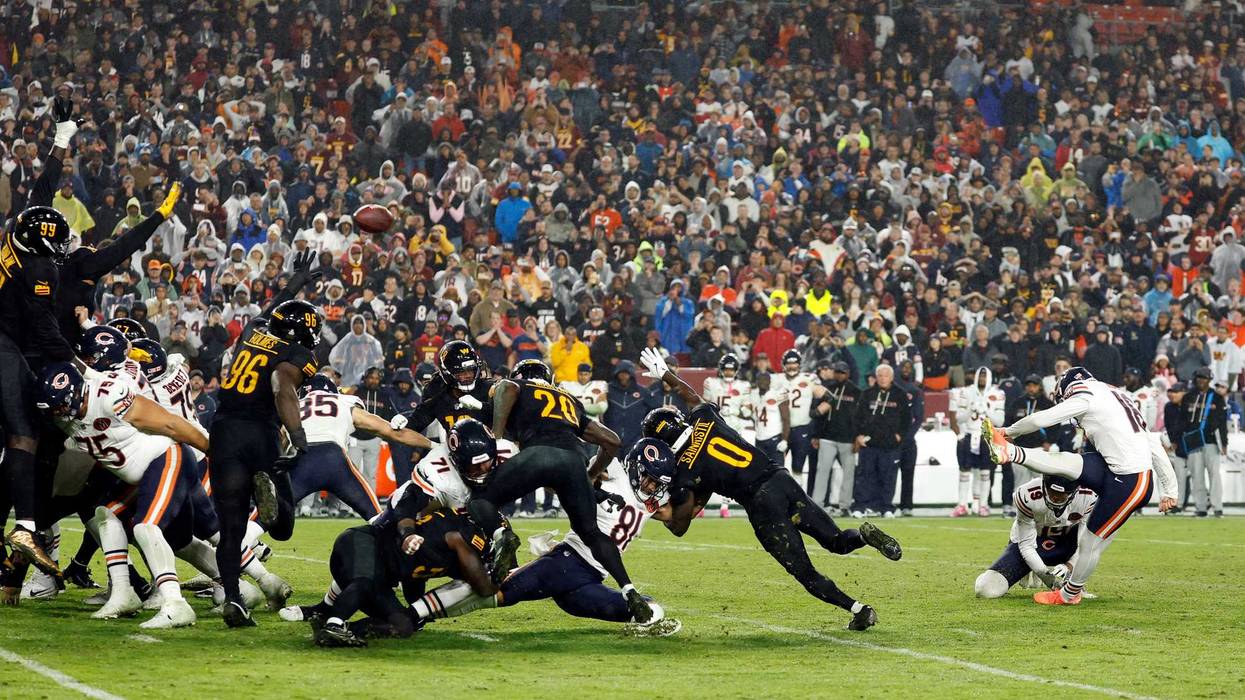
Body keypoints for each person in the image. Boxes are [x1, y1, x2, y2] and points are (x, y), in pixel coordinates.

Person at [638, 348, 901, 631]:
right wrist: (667, 374)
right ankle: (863, 535)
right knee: (836, 540)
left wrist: (648, 508)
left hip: (761, 503)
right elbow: (692, 397)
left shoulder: (684, 470)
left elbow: (680, 526)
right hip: (780, 479)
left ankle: (859, 610)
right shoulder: (705, 419)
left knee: (805, 573)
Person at [406, 438, 681, 637]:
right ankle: (413, 615)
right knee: (492, 588)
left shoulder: (653, 502)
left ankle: (417, 614)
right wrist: (592, 476)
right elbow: (593, 459)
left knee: (653, 610)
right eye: (648, 478)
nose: (650, 486)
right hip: (568, 562)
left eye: (657, 484)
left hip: (588, 580)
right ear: (635, 466)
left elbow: (675, 516)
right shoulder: (615, 473)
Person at [34, 361, 210, 628]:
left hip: (166, 456)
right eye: (54, 408)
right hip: (138, 477)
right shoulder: (62, 417)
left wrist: (214, 452)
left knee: (146, 527)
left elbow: (171, 424)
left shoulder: (108, 396)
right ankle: (123, 592)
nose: (59, 413)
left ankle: (176, 604)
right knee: (107, 515)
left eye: (61, 405)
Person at [985, 367, 1179, 605]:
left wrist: (1007, 431)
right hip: (1114, 468)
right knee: (1067, 461)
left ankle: (1069, 594)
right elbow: (1153, 443)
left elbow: (1041, 418)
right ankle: (1011, 451)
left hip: (1130, 481)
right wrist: (1170, 488)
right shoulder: (1118, 396)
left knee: (1089, 541)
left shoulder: (1085, 395)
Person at [483, 359, 655, 622]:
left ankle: (499, 537)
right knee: (592, 533)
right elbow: (612, 440)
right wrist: (592, 475)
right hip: (573, 466)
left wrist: (495, 439)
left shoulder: (518, 387)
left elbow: (506, 387)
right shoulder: (569, 401)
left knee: (481, 501)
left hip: (537, 456)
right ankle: (629, 588)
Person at [209, 250, 323, 627]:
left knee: (231, 527)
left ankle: (233, 596)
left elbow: (271, 307)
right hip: (260, 432)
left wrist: (295, 284)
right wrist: (299, 438)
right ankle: (270, 494)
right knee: (284, 526)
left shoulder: (253, 332)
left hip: (223, 430)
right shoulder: (297, 353)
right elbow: (282, 388)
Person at [974, 476, 1097, 599]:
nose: (1055, 497)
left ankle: (1072, 582)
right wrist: (1048, 577)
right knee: (985, 590)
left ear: (1074, 491)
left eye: (1061, 494)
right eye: (1051, 491)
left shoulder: (1088, 496)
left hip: (1066, 545)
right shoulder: (1027, 494)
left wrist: (1069, 566)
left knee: (1087, 542)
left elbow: (1086, 545)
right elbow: (1026, 546)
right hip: (1032, 542)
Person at [852, 365, 912, 518]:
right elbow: (857, 416)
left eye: (886, 376)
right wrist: (858, 435)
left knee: (888, 476)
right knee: (864, 476)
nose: (883, 378)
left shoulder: (900, 394)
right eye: (880, 375)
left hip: (890, 444)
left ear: (891, 377)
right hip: (869, 443)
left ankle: (886, 507)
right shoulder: (867, 394)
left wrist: (899, 436)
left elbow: (906, 419)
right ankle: (860, 506)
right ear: (876, 377)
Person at [950, 366, 1006, 517]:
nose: (982, 379)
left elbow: (1000, 421)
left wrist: (986, 411)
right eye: (979, 376)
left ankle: (983, 505)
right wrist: (970, 409)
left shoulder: (998, 394)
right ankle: (962, 504)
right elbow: (958, 418)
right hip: (969, 434)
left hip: (986, 437)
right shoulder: (966, 392)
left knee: (985, 472)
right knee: (964, 471)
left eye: (984, 376)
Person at [810, 361, 860, 514]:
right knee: (822, 472)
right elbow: (817, 415)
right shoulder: (827, 388)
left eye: (843, 372)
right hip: (827, 437)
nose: (840, 375)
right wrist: (816, 435)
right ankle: (817, 505)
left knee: (848, 474)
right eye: (837, 372)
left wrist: (857, 437)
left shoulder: (856, 391)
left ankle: (845, 506)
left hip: (848, 439)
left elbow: (860, 417)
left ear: (848, 374)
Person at [1179, 368, 1227, 518]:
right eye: (1199, 377)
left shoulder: (1217, 398)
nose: (1201, 380)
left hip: (1211, 440)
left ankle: (1217, 506)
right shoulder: (1188, 397)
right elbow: (1182, 421)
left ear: (1210, 379)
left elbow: (1222, 422)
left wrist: (1224, 442)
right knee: (1196, 475)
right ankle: (1200, 507)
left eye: (1204, 377)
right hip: (1193, 441)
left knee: (1214, 475)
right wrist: (1182, 440)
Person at [780, 349, 818, 477]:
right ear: (784, 365)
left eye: (795, 363)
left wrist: (817, 411)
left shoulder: (810, 379)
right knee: (776, 466)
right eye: (788, 363)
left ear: (799, 364)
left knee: (798, 467)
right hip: (780, 429)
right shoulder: (776, 379)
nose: (792, 366)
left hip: (802, 428)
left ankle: (797, 495)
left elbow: (825, 396)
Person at [893, 360, 923, 517]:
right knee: (888, 474)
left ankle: (907, 505)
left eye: (909, 368)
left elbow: (918, 418)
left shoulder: (916, 391)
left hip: (908, 440)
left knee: (908, 472)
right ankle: (886, 505)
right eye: (903, 367)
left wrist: (907, 436)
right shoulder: (893, 389)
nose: (906, 370)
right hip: (892, 439)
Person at [749, 371, 790, 474]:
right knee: (760, 472)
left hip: (774, 439)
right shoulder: (753, 395)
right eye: (760, 379)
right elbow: (752, 416)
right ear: (757, 381)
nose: (763, 382)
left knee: (778, 473)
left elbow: (786, 418)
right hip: (759, 440)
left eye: (765, 379)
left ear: (769, 381)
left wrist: (785, 439)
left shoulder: (777, 393)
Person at [701, 354, 753, 434]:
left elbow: (747, 412)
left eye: (731, 370)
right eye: (726, 369)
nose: (728, 372)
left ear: (736, 370)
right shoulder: (711, 383)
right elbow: (704, 407)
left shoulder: (743, 386)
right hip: (716, 426)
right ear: (721, 370)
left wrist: (733, 411)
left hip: (735, 427)